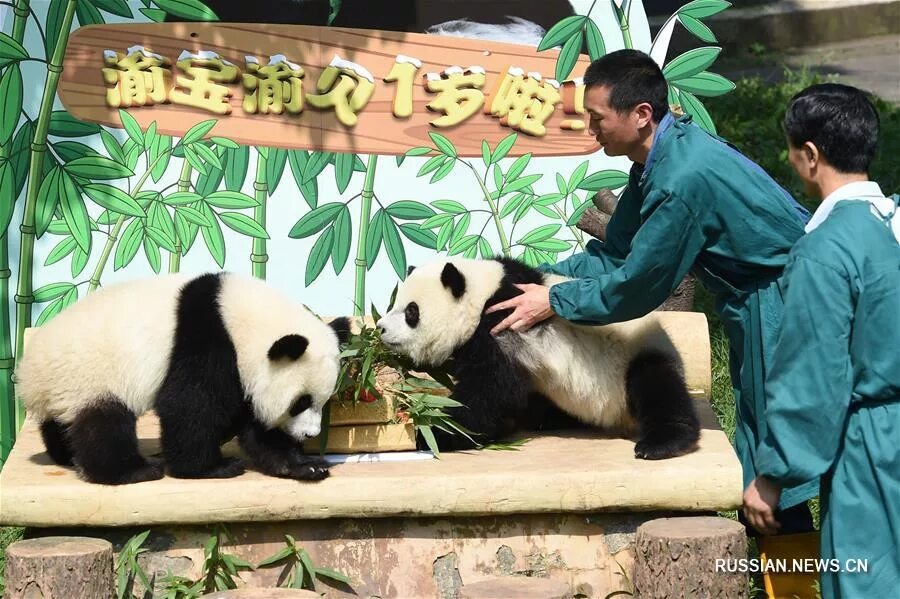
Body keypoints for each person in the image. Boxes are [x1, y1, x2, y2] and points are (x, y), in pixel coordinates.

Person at [485, 49, 817, 532]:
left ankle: (799, 579)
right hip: (760, 299)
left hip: (789, 301)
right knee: (765, 449)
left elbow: (637, 286)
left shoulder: (680, 180)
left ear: (641, 115)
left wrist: (554, 300)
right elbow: (616, 251)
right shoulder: (659, 158)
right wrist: (533, 280)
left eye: (597, 117)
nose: (590, 128)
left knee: (778, 463)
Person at [742, 83, 899, 598]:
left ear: (810, 156)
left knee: (867, 582)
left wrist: (775, 472)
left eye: (790, 151)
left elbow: (814, 377)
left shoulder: (825, 251)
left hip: (874, 444)